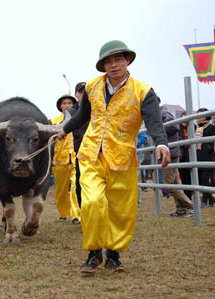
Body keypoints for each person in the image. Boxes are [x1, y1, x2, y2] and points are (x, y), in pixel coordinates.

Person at [58, 40, 170, 274]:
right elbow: (82, 116)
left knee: (119, 210)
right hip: (90, 154)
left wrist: (161, 142)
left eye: (118, 59)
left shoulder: (143, 91)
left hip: (121, 157)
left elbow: (153, 121)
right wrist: (65, 129)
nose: (114, 65)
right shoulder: (92, 87)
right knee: (91, 203)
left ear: (127, 61)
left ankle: (114, 255)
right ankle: (94, 253)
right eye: (108, 61)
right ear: (102, 66)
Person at [160, 103, 194, 217]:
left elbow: (174, 127)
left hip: (171, 152)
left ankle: (189, 205)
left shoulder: (164, 113)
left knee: (168, 184)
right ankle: (181, 209)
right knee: (174, 183)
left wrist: (157, 130)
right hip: (167, 152)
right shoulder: (158, 114)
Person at [51, 95, 80, 223]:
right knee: (61, 190)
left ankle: (76, 215)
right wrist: (51, 158)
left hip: (76, 157)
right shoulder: (53, 121)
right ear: (60, 106)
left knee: (76, 186)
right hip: (59, 159)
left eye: (69, 103)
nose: (67, 105)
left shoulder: (80, 119)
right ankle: (63, 213)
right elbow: (49, 142)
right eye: (64, 103)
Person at [67, 82, 89, 213]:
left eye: (86, 91)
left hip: (100, 153)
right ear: (76, 94)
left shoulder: (98, 107)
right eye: (81, 92)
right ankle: (84, 214)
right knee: (80, 185)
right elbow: (65, 127)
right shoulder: (71, 112)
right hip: (81, 154)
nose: (84, 94)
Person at [195, 108, 215, 208]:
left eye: (200, 115)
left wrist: (208, 149)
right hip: (198, 155)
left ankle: (205, 200)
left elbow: (213, 142)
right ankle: (210, 199)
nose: (198, 117)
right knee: (201, 179)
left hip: (207, 156)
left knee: (206, 178)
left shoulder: (212, 127)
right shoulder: (196, 127)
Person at [178, 111, 192, 199]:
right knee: (184, 177)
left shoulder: (193, 128)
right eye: (183, 119)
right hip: (182, 156)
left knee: (192, 176)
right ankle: (187, 196)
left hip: (191, 156)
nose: (184, 121)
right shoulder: (178, 129)